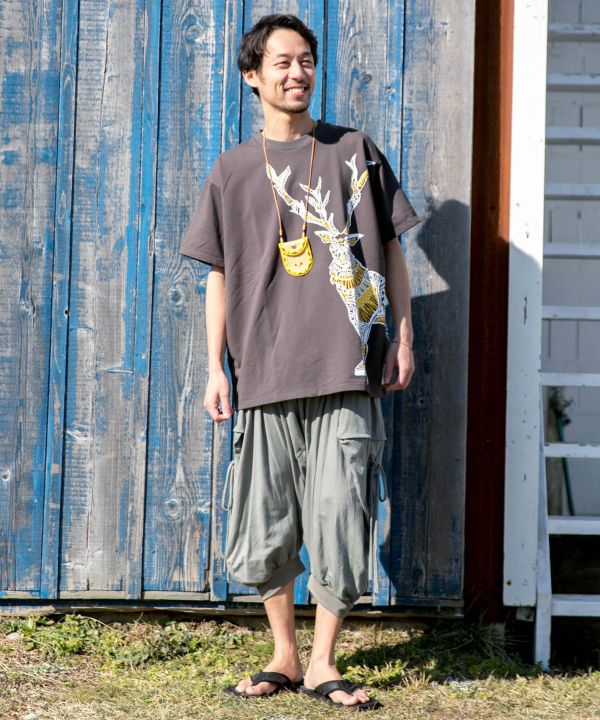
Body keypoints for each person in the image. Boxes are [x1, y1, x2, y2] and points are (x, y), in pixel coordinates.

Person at [180, 13, 421, 711]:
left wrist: (403, 337)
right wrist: (215, 367)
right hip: (264, 370)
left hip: (347, 368)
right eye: (282, 62)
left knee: (341, 514)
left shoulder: (354, 151)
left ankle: (323, 662)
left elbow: (393, 250)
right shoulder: (232, 170)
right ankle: (283, 654)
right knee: (267, 521)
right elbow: (218, 274)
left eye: (307, 60)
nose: (298, 73)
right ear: (252, 77)